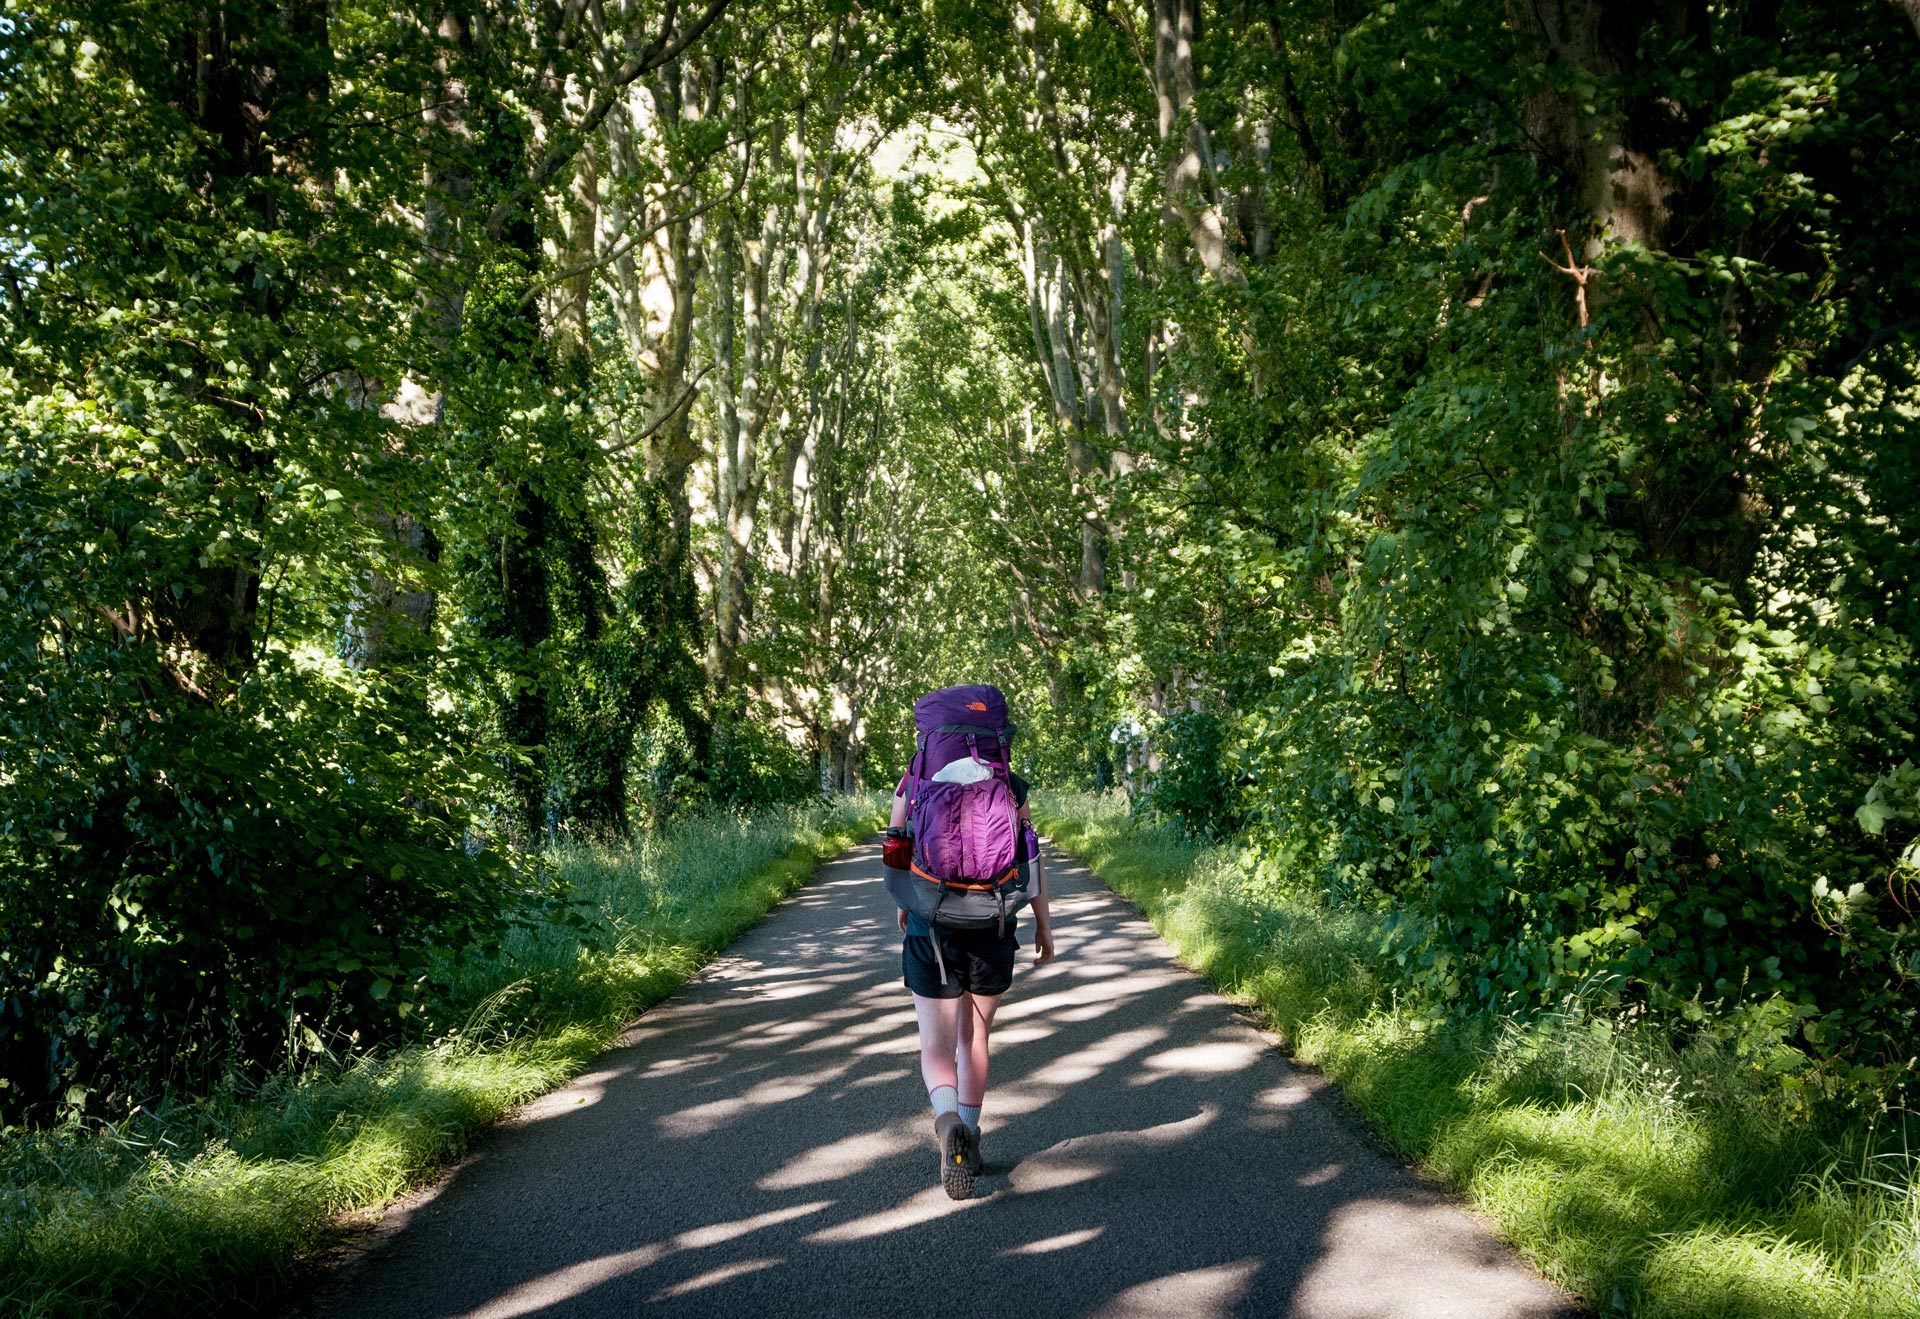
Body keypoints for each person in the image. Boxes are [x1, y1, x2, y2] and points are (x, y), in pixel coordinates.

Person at [891, 762, 1053, 1198]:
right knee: (974, 1038)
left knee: (935, 1044)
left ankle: (947, 1122)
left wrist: (904, 904)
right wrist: (1043, 926)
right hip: (992, 923)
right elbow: (1031, 857)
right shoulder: (1009, 783)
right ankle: (970, 1133)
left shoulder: (914, 780)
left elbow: (897, 847)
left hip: (930, 926)